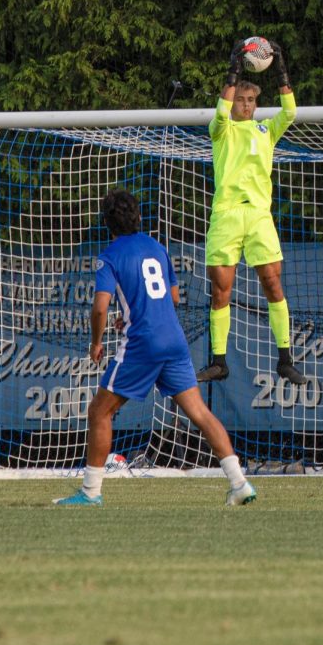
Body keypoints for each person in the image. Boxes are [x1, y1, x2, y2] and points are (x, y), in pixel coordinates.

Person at [55, 190, 256, 507]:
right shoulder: (158, 248)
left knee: (99, 411)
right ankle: (239, 482)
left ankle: (90, 493)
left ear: (107, 223)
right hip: (174, 340)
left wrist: (96, 342)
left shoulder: (109, 256)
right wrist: (134, 313)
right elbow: (173, 298)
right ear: (138, 217)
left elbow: (99, 308)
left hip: (144, 343)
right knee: (200, 413)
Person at [196, 37, 306, 385]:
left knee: (273, 282)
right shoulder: (221, 130)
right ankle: (219, 360)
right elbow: (218, 111)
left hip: (259, 215)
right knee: (221, 290)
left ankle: (285, 358)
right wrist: (232, 69)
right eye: (240, 99)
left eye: (250, 100)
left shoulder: (266, 131)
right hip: (227, 214)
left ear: (257, 104)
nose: (245, 105)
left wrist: (282, 68)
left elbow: (290, 112)